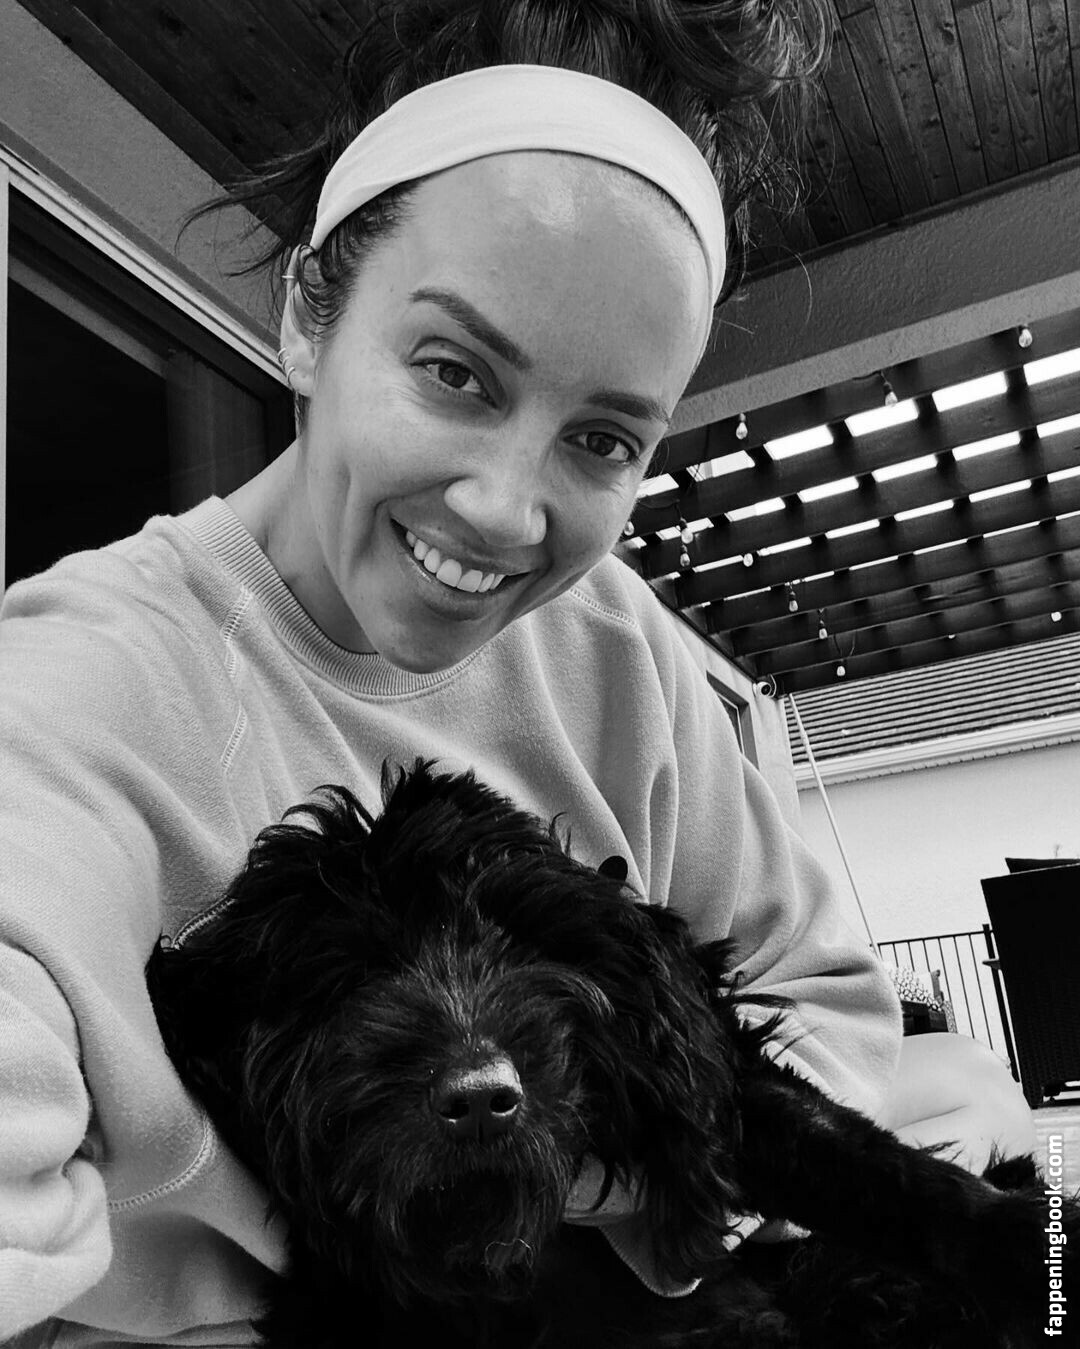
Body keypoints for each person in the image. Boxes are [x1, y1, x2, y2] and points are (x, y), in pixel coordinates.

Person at [0, 1, 1035, 1343]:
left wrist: (587, 1180)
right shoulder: (68, 695)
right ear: (309, 314)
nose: (504, 511)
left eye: (602, 441)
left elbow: (817, 996)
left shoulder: (615, 642)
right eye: (455, 372)